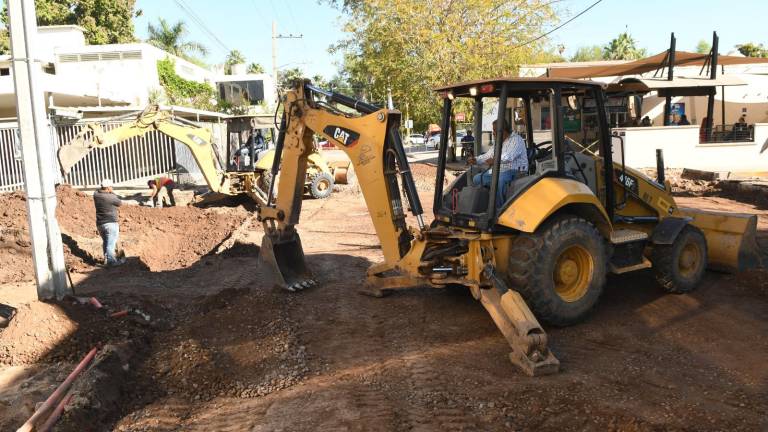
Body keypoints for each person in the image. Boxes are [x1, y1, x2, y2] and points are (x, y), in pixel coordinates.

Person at [467, 119, 527, 206]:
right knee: (477, 179)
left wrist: (495, 160)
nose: (493, 132)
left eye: (495, 130)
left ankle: (500, 208)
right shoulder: (498, 142)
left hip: (515, 171)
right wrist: (476, 160)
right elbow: (488, 155)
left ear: (503, 130)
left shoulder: (517, 140)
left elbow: (509, 156)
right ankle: (488, 203)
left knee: (500, 179)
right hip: (499, 171)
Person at [94, 179, 125, 267]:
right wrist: (112, 193)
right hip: (110, 223)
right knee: (111, 244)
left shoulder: (96, 194)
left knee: (106, 242)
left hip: (100, 224)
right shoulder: (111, 197)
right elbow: (119, 203)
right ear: (108, 188)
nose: (112, 188)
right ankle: (111, 261)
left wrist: (109, 191)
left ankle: (106, 261)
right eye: (111, 187)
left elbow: (98, 190)